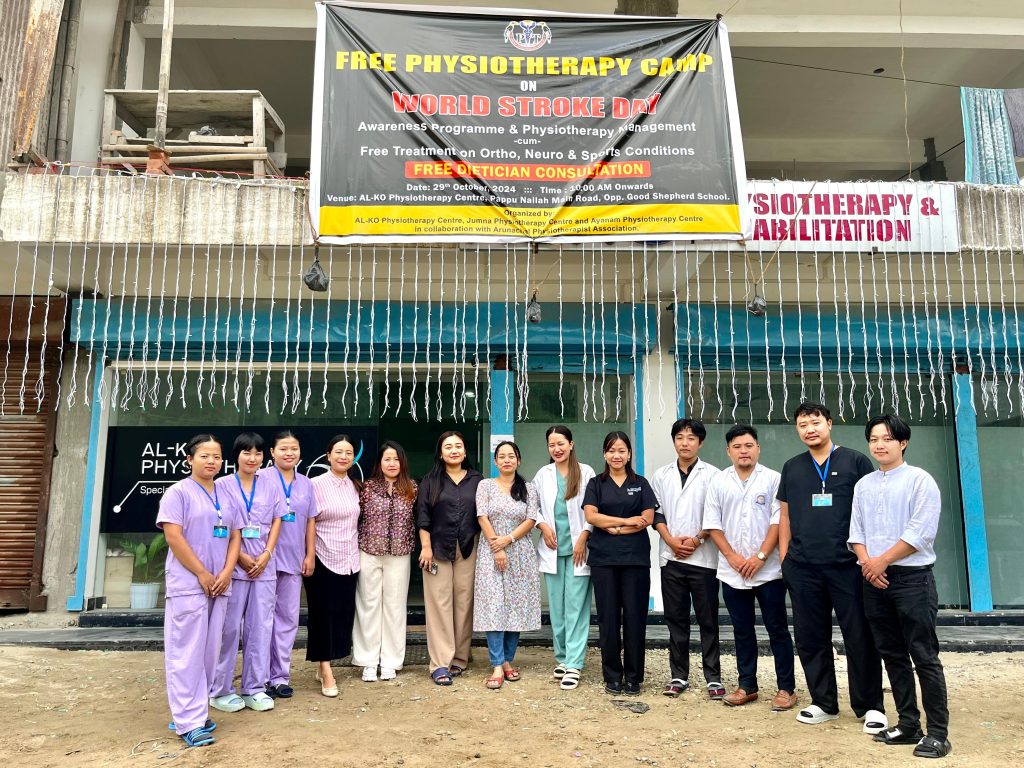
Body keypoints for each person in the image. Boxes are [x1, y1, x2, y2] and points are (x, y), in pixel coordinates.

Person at [778, 401, 886, 733]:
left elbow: (872, 512)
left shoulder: (856, 461)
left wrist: (869, 560)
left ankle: (870, 706)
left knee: (860, 635)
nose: (809, 429)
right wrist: (785, 560)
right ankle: (824, 702)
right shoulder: (792, 467)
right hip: (804, 568)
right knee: (811, 637)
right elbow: (784, 515)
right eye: (802, 425)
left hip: (848, 567)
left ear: (829, 423)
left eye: (814, 422)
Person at [849, 414, 952, 759]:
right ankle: (908, 723)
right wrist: (868, 563)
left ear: (903, 442)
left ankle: (938, 733)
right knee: (891, 654)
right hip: (873, 580)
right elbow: (856, 533)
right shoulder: (864, 485)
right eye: (874, 439)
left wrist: (882, 561)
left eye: (887, 438)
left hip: (912, 580)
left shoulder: (919, 480)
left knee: (923, 655)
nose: (879, 444)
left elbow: (920, 533)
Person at [704, 425, 797, 710]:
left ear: (758, 448)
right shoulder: (719, 481)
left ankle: (786, 689)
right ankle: (747, 685)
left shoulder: (773, 479)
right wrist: (732, 556)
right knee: (742, 629)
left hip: (768, 571)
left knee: (777, 629)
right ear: (728, 451)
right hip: (732, 572)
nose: (743, 451)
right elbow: (713, 524)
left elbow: (777, 520)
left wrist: (760, 556)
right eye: (737, 446)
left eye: (749, 445)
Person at [159, 434, 240, 748]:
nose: (212, 461)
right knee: (186, 653)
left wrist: (226, 572)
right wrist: (203, 573)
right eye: (205, 456)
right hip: (190, 585)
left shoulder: (226, 494)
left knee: (208, 652)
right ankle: (189, 723)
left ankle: (194, 711)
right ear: (189, 459)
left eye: (217, 457)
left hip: (219, 584)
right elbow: (174, 537)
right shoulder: (177, 493)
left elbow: (235, 536)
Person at [650, 417, 725, 700]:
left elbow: (717, 514)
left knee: (708, 620)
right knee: (676, 620)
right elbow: (656, 513)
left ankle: (713, 677)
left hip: (703, 558)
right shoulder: (661, 475)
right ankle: (678, 675)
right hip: (671, 558)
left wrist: (697, 539)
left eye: (691, 438)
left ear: (700, 442)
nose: (685, 442)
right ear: (674, 441)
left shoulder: (714, 475)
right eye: (680, 437)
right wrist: (670, 540)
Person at [209, 432, 283, 714]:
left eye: (258, 453)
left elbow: (277, 521)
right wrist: (240, 557)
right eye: (246, 453)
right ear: (236, 455)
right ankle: (220, 689)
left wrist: (266, 554)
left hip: (264, 567)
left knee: (260, 628)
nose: (252, 459)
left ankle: (254, 688)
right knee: (228, 630)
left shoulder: (270, 485)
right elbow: (222, 525)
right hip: (234, 567)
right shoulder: (223, 485)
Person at [583, 431, 658, 696]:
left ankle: (634, 677)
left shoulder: (641, 483)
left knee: (636, 618)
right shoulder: (596, 483)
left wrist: (613, 527)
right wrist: (627, 522)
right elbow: (592, 516)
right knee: (609, 618)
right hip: (604, 559)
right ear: (605, 454)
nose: (617, 455)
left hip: (635, 559)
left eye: (622, 450)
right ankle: (612, 676)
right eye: (612, 450)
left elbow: (647, 517)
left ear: (629, 454)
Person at [415, 431, 484, 686]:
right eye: (448, 447)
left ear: (465, 452)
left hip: (469, 547)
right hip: (436, 548)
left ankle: (460, 658)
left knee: (464, 603)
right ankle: (440, 663)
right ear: (440, 452)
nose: (454, 450)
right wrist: (425, 547)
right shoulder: (430, 481)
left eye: (458, 446)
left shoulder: (478, 480)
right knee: (439, 604)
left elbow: (484, 515)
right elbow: (422, 516)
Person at [474, 440, 542, 690]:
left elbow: (531, 518)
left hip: (520, 552)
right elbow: (482, 515)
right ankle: (496, 664)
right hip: (491, 551)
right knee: (494, 605)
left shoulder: (529, 488)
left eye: (511, 456)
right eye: (501, 456)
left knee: (515, 606)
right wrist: (498, 546)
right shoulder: (485, 486)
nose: (506, 460)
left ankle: (507, 661)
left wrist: (509, 539)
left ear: (518, 460)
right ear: (495, 461)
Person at [532, 425, 596, 691]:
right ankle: (561, 657)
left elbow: (593, 509)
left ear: (571, 444)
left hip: (580, 550)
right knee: (557, 610)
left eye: (561, 443)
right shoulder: (543, 475)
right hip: (552, 550)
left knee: (576, 608)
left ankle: (574, 663)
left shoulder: (586, 472)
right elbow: (532, 508)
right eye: (551, 445)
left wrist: (584, 535)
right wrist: (542, 526)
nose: (556, 449)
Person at [352, 441, 417, 682]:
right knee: (368, 605)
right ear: (379, 462)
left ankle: (390, 661)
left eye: (396, 459)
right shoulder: (366, 488)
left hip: (399, 554)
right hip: (369, 550)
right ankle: (368, 661)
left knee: (394, 607)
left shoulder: (412, 488)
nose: (392, 463)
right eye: (387, 459)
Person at [306, 434, 362, 697]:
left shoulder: (354, 485)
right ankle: (325, 668)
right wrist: (308, 555)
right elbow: (309, 521)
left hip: (349, 559)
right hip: (321, 556)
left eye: (349, 453)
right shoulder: (314, 484)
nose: (343, 457)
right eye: (338, 452)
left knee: (341, 613)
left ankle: (325, 661)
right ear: (328, 455)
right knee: (322, 614)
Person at [265, 430, 317, 699]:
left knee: (287, 620)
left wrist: (310, 554)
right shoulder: (261, 479)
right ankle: (259, 677)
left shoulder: (306, 484)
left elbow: (310, 520)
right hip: (263, 561)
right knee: (261, 621)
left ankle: (280, 677)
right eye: (283, 448)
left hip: (293, 559)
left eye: (293, 448)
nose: (289, 453)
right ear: (272, 452)